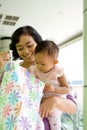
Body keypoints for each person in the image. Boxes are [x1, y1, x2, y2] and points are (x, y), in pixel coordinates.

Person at [0, 25, 77, 130]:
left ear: (38, 43)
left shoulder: (52, 70)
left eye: (30, 45)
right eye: (20, 48)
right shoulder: (13, 71)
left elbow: (73, 108)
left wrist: (55, 100)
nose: (26, 51)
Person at [30, 40, 70, 130]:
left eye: (43, 64)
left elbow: (66, 89)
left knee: (54, 120)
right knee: (35, 117)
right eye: (36, 62)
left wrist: (54, 89)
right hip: (40, 101)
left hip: (55, 103)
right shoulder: (35, 70)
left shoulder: (58, 72)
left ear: (55, 62)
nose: (39, 66)